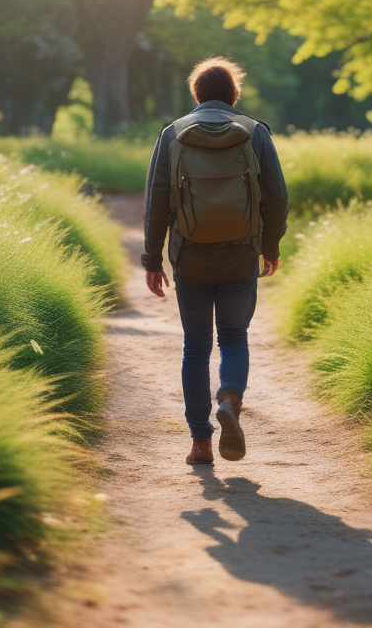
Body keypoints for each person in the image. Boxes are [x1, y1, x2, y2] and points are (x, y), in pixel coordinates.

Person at [142, 57, 288, 465]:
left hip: (190, 255)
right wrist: (270, 248)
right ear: (233, 95)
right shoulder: (255, 133)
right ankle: (229, 397)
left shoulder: (172, 134)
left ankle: (201, 442)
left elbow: (157, 203)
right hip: (241, 252)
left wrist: (152, 259)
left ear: (197, 95)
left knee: (196, 345)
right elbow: (277, 198)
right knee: (235, 337)